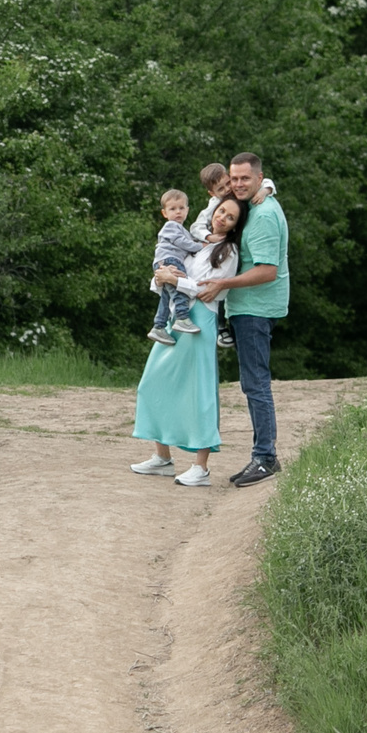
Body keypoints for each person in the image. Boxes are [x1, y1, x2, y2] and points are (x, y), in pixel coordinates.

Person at [185, 154, 290, 488]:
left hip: (257, 309)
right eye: (235, 178)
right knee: (251, 381)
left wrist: (222, 284)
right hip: (245, 308)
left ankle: (265, 458)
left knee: (255, 382)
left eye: (246, 178)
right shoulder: (249, 207)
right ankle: (262, 455)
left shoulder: (264, 215)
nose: (239, 184)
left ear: (260, 178)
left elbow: (267, 271)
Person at [129, 196, 238, 486]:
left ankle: (200, 468)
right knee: (152, 383)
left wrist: (174, 281)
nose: (222, 218)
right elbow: (166, 277)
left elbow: (207, 290)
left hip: (200, 323)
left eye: (230, 217)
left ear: (236, 226)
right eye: (221, 211)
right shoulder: (194, 242)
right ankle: (162, 458)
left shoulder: (229, 253)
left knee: (198, 393)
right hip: (176, 320)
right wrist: (162, 277)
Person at [146, 189, 202, 344]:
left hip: (165, 261)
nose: (178, 212)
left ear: (187, 210)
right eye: (173, 209)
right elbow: (181, 243)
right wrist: (200, 246)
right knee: (178, 289)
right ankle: (182, 318)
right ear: (164, 213)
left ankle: (159, 327)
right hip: (170, 261)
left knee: (166, 296)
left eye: (181, 208)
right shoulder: (171, 226)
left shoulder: (182, 228)